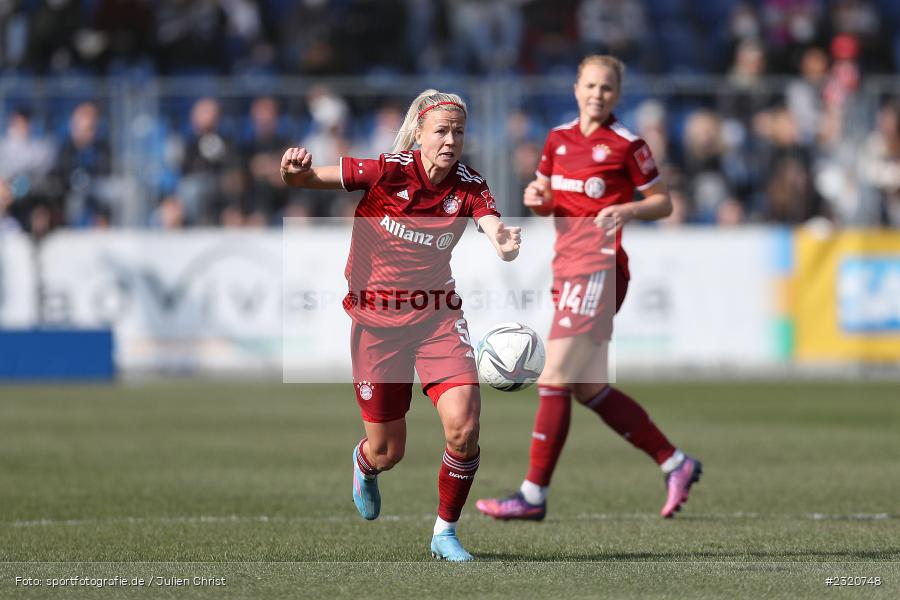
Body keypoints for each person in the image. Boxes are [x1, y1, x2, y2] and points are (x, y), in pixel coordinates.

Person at [280, 89, 521, 561]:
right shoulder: (387, 171)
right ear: (419, 134)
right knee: (388, 451)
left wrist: (503, 240)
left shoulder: (469, 185)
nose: (451, 140)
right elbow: (308, 179)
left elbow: (491, 221)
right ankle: (365, 465)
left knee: (464, 425)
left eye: (458, 132)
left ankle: (444, 532)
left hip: (437, 316)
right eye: (442, 131)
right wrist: (293, 171)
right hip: (376, 326)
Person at [476, 55, 702, 522]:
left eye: (607, 88)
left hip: (599, 268)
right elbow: (545, 198)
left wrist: (628, 211)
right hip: (567, 266)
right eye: (590, 85)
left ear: (616, 95)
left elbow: (662, 202)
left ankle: (532, 496)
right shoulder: (557, 140)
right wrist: (538, 200)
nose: (597, 94)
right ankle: (675, 463)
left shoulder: (627, 145)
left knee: (554, 376)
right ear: (576, 88)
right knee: (588, 387)